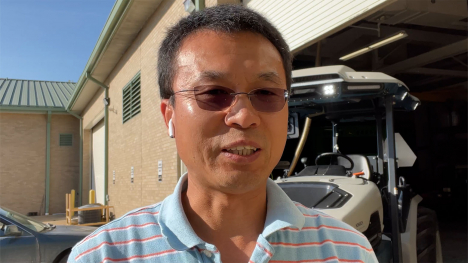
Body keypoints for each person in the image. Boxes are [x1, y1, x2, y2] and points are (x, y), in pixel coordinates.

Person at [68, 5, 378, 263]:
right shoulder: (105, 255)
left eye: (266, 93)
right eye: (214, 92)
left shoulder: (349, 251)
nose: (243, 116)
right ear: (169, 116)